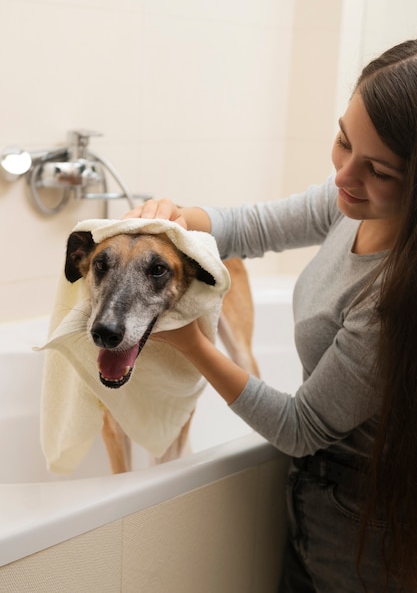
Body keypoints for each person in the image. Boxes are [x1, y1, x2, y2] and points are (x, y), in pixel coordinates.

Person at [125, 39, 417, 592]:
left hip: (365, 525)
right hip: (321, 495)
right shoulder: (350, 201)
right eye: (342, 140)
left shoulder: (394, 300)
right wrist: (174, 217)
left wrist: (191, 344)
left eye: (377, 169)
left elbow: (300, 428)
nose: (343, 177)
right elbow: (255, 227)